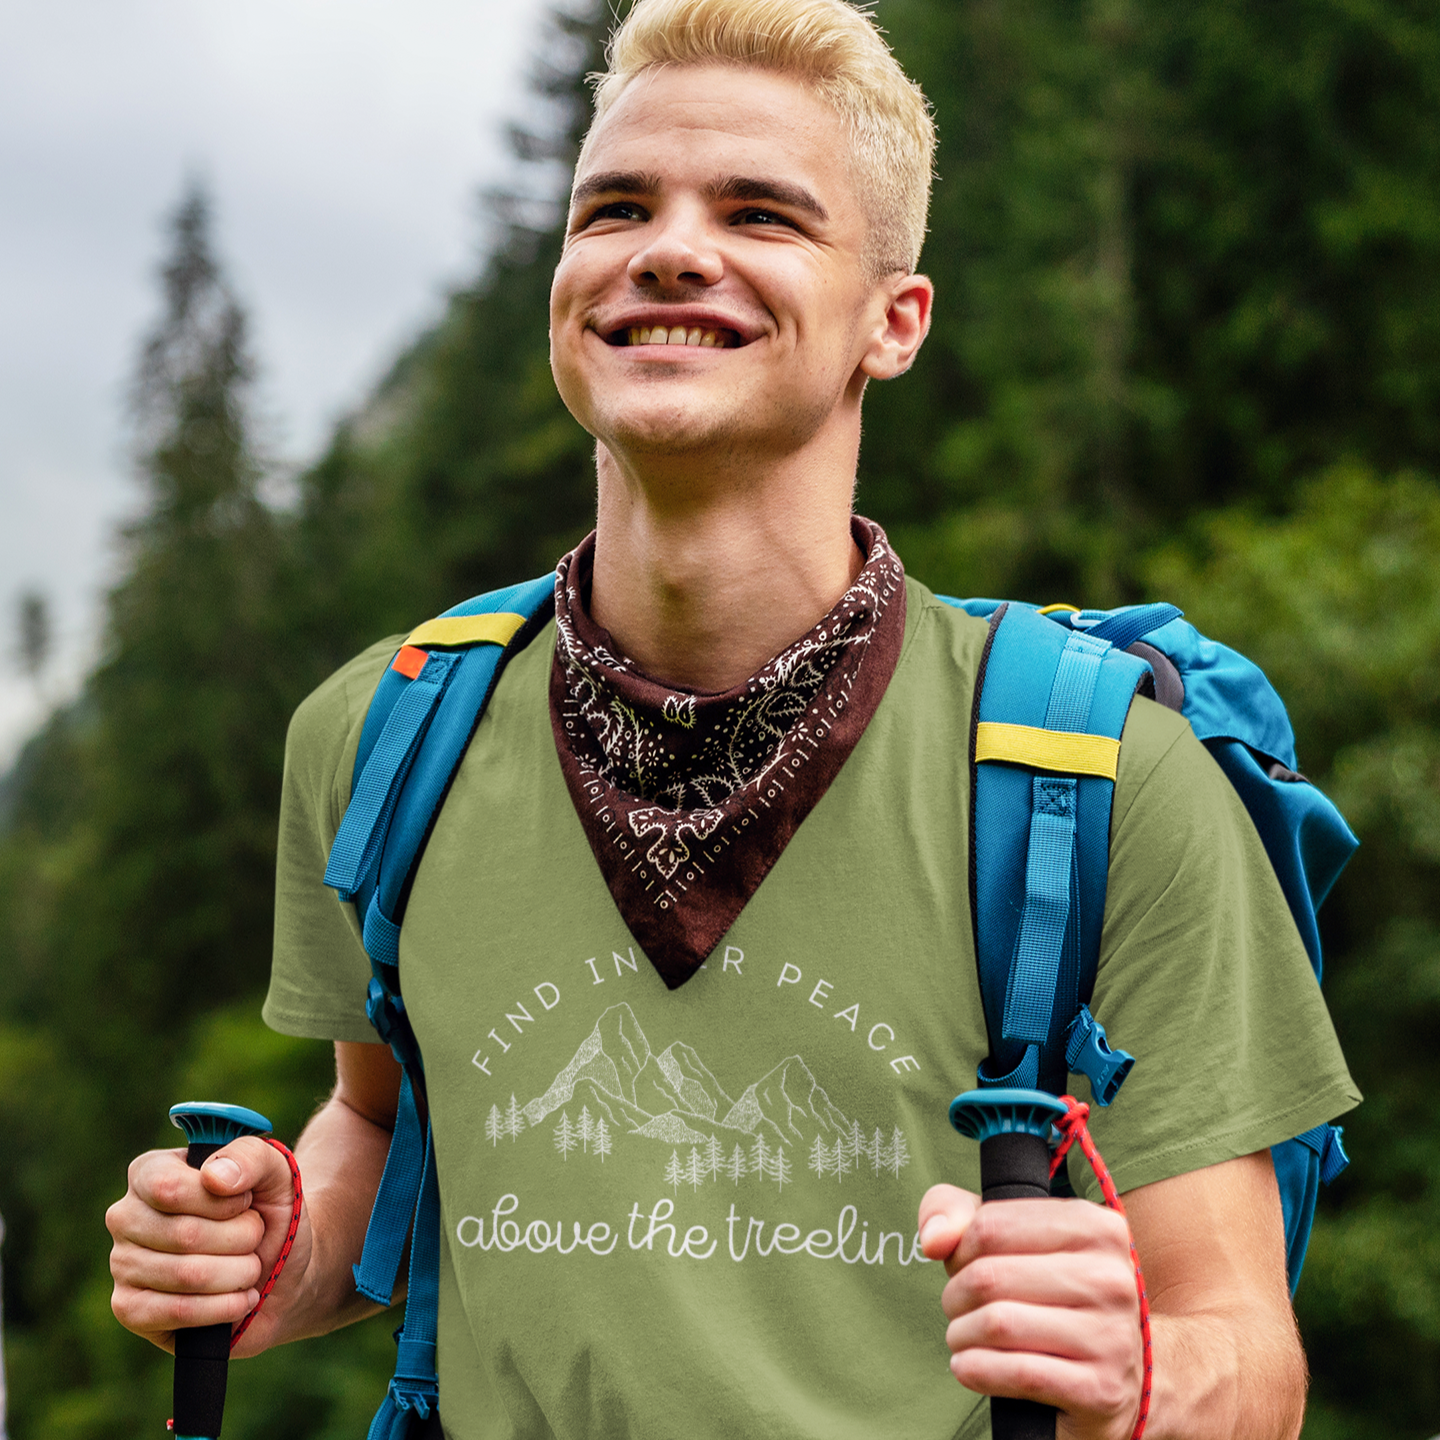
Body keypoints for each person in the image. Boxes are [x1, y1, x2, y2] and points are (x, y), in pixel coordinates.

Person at [106, 1, 1359, 1435]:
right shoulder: (389, 730)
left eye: (760, 212)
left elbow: (1245, 1355)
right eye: (617, 207)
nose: (671, 248)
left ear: (894, 321)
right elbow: (381, 1127)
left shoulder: (1104, 775)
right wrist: (264, 1252)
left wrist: (1140, 1370)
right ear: (567, 281)